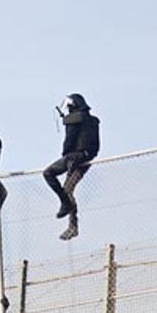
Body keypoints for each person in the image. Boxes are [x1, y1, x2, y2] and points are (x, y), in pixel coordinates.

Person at [44, 95, 101, 241]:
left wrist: (66, 155)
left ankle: (69, 213)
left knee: (49, 173)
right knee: (67, 189)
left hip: (75, 158)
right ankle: (68, 211)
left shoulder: (74, 119)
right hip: (87, 158)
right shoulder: (93, 120)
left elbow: (69, 141)